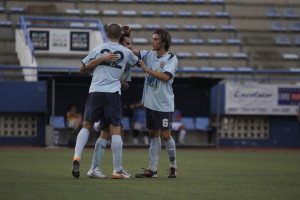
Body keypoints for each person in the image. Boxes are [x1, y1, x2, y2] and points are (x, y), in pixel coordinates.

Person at [71, 24, 139, 179]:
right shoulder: (126, 53)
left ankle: (77, 157)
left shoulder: (98, 49)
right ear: (121, 36)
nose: (129, 45)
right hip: (112, 94)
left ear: (106, 33)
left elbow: (82, 68)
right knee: (116, 130)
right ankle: (117, 170)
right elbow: (137, 60)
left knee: (87, 126)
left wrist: (102, 59)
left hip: (95, 92)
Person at [132, 28, 178, 178]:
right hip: (150, 103)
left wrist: (146, 69)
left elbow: (165, 77)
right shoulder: (150, 55)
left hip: (164, 104)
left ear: (164, 42)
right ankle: (153, 170)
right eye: (152, 38)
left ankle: (173, 166)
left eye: (156, 39)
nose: (152, 41)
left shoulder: (171, 58)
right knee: (153, 134)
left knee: (165, 135)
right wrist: (126, 35)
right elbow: (132, 50)